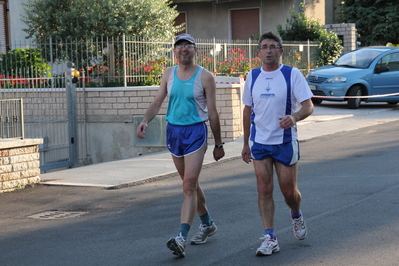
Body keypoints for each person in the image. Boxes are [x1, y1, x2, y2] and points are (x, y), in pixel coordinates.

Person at [136, 33, 225, 258]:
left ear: (195, 50)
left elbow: (213, 112)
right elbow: (158, 101)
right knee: (190, 185)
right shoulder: (169, 74)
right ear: (174, 52)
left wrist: (218, 143)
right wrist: (145, 120)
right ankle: (208, 224)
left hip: (196, 132)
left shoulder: (205, 77)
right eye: (179, 46)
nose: (183, 49)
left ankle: (181, 238)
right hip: (173, 132)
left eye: (188, 45)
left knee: (188, 185)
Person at [241, 31, 314, 256]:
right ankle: (270, 237)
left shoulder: (292, 75)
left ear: (280, 51)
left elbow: (308, 105)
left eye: (273, 46)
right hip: (260, 142)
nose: (269, 50)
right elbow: (247, 110)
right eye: (264, 46)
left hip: (284, 141)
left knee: (289, 192)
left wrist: (294, 117)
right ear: (259, 52)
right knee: (263, 189)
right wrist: (245, 143)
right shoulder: (252, 76)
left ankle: (296, 214)